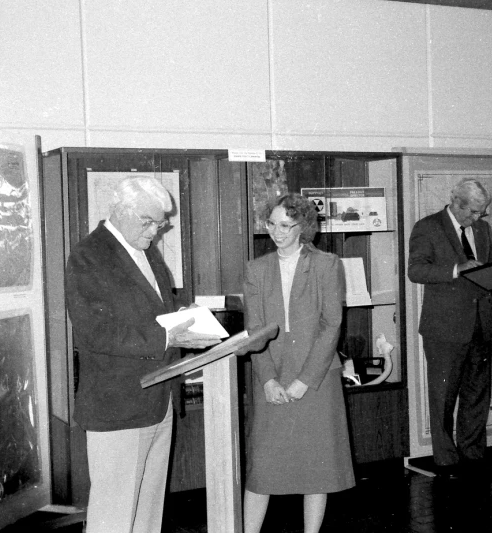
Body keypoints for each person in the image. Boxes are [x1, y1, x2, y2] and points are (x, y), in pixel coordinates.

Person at [65, 176, 221, 533]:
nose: (156, 231)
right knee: (114, 518)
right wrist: (168, 335)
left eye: (160, 223)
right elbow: (95, 332)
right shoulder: (89, 255)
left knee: (149, 515)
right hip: (119, 407)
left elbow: (151, 308)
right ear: (121, 211)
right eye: (148, 221)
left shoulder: (144, 249)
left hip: (158, 400)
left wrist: (185, 315)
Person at [242, 193, 355, 533]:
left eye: (287, 226)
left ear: (304, 227)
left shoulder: (327, 264)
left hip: (316, 377)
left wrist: (305, 379)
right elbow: (254, 331)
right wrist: (267, 381)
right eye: (272, 224)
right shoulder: (256, 269)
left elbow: (331, 325)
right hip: (271, 376)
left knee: (315, 467)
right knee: (261, 468)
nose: (278, 233)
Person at [407, 178, 492, 478]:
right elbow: (416, 270)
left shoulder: (483, 230)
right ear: (455, 202)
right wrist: (455, 269)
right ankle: (446, 461)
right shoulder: (428, 226)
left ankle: (473, 454)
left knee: (477, 393)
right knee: (443, 396)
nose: (478, 218)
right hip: (444, 328)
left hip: (480, 324)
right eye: (473, 212)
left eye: (481, 213)